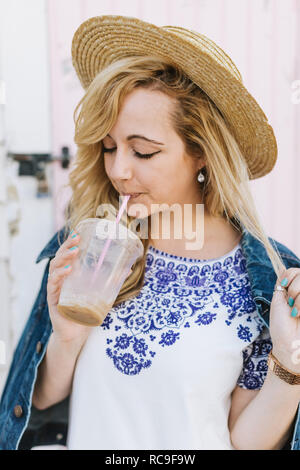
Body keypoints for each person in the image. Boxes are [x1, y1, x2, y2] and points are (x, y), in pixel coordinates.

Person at [1, 15, 300, 451]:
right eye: (108, 147)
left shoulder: (268, 280)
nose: (119, 170)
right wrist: (66, 338)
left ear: (201, 153)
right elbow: (40, 400)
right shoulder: (88, 246)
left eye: (143, 151)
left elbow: (244, 440)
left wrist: (290, 362)